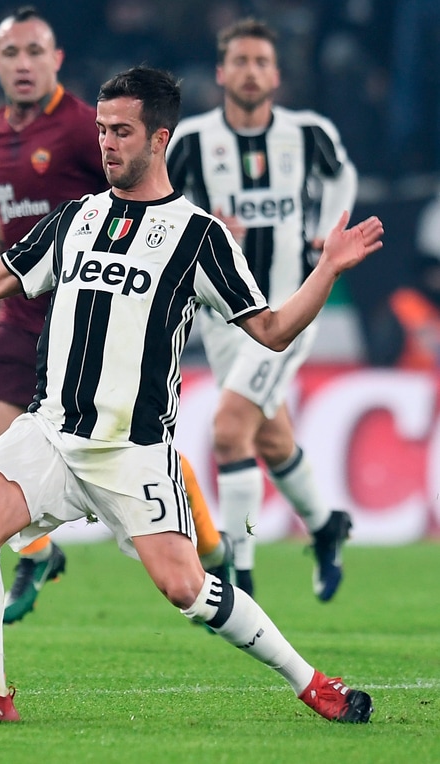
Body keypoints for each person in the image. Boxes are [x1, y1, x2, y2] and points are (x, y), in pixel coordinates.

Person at [0, 65, 381, 725]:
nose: (107, 144)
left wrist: (326, 269)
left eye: (122, 131)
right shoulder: (76, 218)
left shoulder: (200, 236)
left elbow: (273, 330)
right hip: (52, 432)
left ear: (160, 139)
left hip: (132, 451)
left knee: (186, 587)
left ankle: (312, 682)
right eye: (101, 129)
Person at [0, 6, 227, 624]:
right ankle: (38, 553)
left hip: (91, 303)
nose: (24, 64)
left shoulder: (88, 126)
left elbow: (151, 180)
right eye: (12, 53)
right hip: (21, 301)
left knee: (124, 434)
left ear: (56, 60)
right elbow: (7, 213)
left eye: (35, 51)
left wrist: (201, 226)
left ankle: (213, 546)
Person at [166, 18, 359, 601]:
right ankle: (326, 526)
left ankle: (239, 572)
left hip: (290, 310)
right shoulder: (191, 141)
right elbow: (160, 205)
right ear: (221, 73)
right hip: (222, 314)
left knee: (229, 428)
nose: (250, 71)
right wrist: (202, 225)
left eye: (261, 62)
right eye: (240, 61)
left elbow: (342, 176)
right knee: (269, 437)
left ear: (276, 75)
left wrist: (329, 231)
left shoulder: (308, 134)